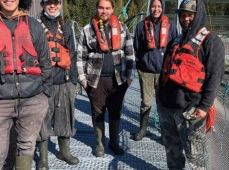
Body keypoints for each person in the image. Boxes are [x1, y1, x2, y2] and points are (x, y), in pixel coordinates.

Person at [0, 0, 53, 169]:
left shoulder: (34, 25)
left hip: (33, 98)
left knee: (26, 148)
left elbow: (45, 62)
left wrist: (45, 94)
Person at [158, 0, 225, 169]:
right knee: (172, 154)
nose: (186, 19)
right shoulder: (175, 41)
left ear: (198, 16)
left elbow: (215, 77)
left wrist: (204, 106)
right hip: (167, 109)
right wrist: (160, 101)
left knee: (196, 158)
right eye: (183, 15)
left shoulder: (212, 42)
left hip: (191, 111)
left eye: (190, 15)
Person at [77, 0, 135, 157]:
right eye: (101, 7)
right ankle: (100, 144)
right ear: (96, 9)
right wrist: (83, 80)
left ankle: (114, 142)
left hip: (118, 80)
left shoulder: (123, 29)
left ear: (113, 9)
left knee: (115, 112)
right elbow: (80, 57)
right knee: (97, 113)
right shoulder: (87, 30)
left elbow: (130, 54)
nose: (104, 11)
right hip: (95, 80)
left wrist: (129, 78)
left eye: (108, 8)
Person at [36, 0, 79, 168]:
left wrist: (74, 81)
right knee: (42, 119)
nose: (52, 6)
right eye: (49, 3)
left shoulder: (67, 28)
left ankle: (64, 152)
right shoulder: (36, 25)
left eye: (56, 3)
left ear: (60, 5)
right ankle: (44, 158)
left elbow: (74, 56)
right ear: (43, 4)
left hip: (65, 80)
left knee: (66, 118)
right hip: (42, 83)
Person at [133, 0, 177, 141]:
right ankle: (143, 129)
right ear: (150, 8)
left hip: (163, 74)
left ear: (163, 8)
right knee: (146, 102)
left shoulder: (172, 27)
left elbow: (175, 49)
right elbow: (136, 47)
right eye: (153, 6)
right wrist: (140, 66)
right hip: (145, 72)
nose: (156, 9)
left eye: (159, 6)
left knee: (162, 104)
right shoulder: (141, 26)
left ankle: (165, 133)